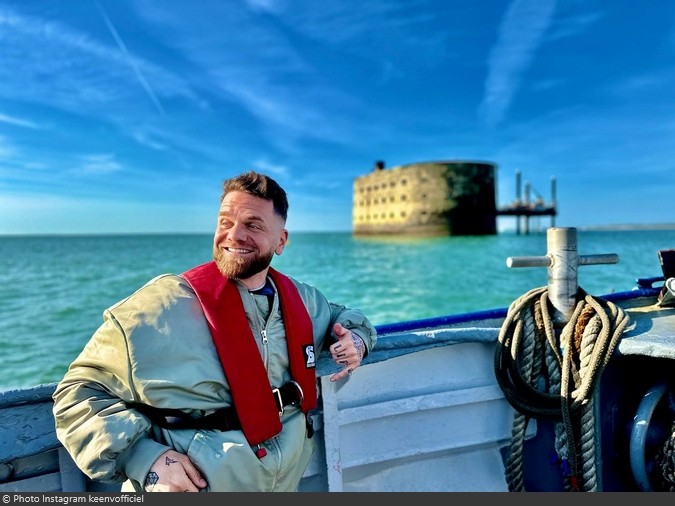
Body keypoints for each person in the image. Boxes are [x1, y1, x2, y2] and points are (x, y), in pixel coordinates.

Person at [52, 171, 377, 492]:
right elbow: (76, 392)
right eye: (225, 222)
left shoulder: (303, 300)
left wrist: (357, 339)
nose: (234, 235)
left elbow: (343, 316)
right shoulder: (161, 307)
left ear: (281, 241)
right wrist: (144, 459)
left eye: (253, 225)